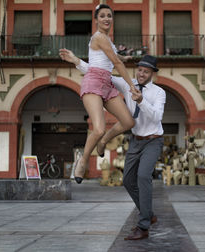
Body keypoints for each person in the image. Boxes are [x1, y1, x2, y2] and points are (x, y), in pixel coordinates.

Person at [60, 49, 166, 240]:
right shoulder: (128, 84)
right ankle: (148, 214)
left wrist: (141, 101)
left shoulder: (159, 93)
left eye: (146, 72)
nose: (141, 74)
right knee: (127, 180)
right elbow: (101, 74)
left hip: (153, 140)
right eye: (140, 70)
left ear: (153, 74)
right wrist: (76, 61)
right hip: (135, 141)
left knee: (143, 176)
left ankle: (143, 227)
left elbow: (157, 117)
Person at [60, 4, 137, 184]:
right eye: (102, 16)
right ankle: (83, 160)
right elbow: (116, 63)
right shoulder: (99, 37)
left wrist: (124, 57)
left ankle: (103, 142)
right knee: (99, 128)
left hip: (107, 84)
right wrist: (131, 86)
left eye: (109, 16)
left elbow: (108, 60)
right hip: (93, 82)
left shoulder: (108, 41)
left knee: (128, 122)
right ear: (96, 20)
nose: (106, 19)